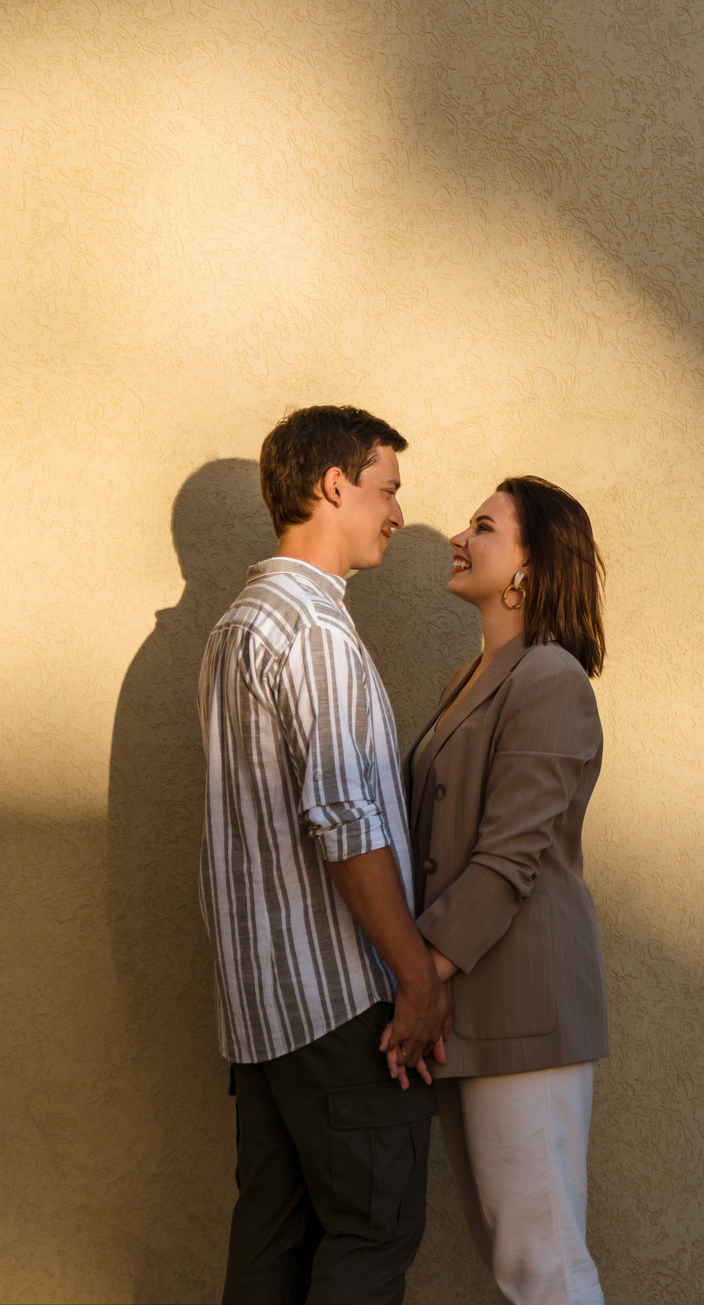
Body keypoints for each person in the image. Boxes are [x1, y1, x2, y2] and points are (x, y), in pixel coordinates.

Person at [199, 405, 454, 1305]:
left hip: (263, 1019)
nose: (395, 514)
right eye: (387, 490)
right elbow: (345, 822)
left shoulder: (237, 626)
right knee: (373, 1230)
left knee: (272, 1241)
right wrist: (415, 976)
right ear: (333, 484)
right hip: (340, 1007)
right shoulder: (312, 631)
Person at [409, 477, 612, 1305]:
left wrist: (418, 977)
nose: (460, 536)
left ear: (530, 565)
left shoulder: (550, 678)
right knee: (517, 1259)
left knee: (544, 1263)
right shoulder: (475, 674)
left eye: (484, 527)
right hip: (471, 1005)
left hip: (522, 1010)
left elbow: (508, 858)